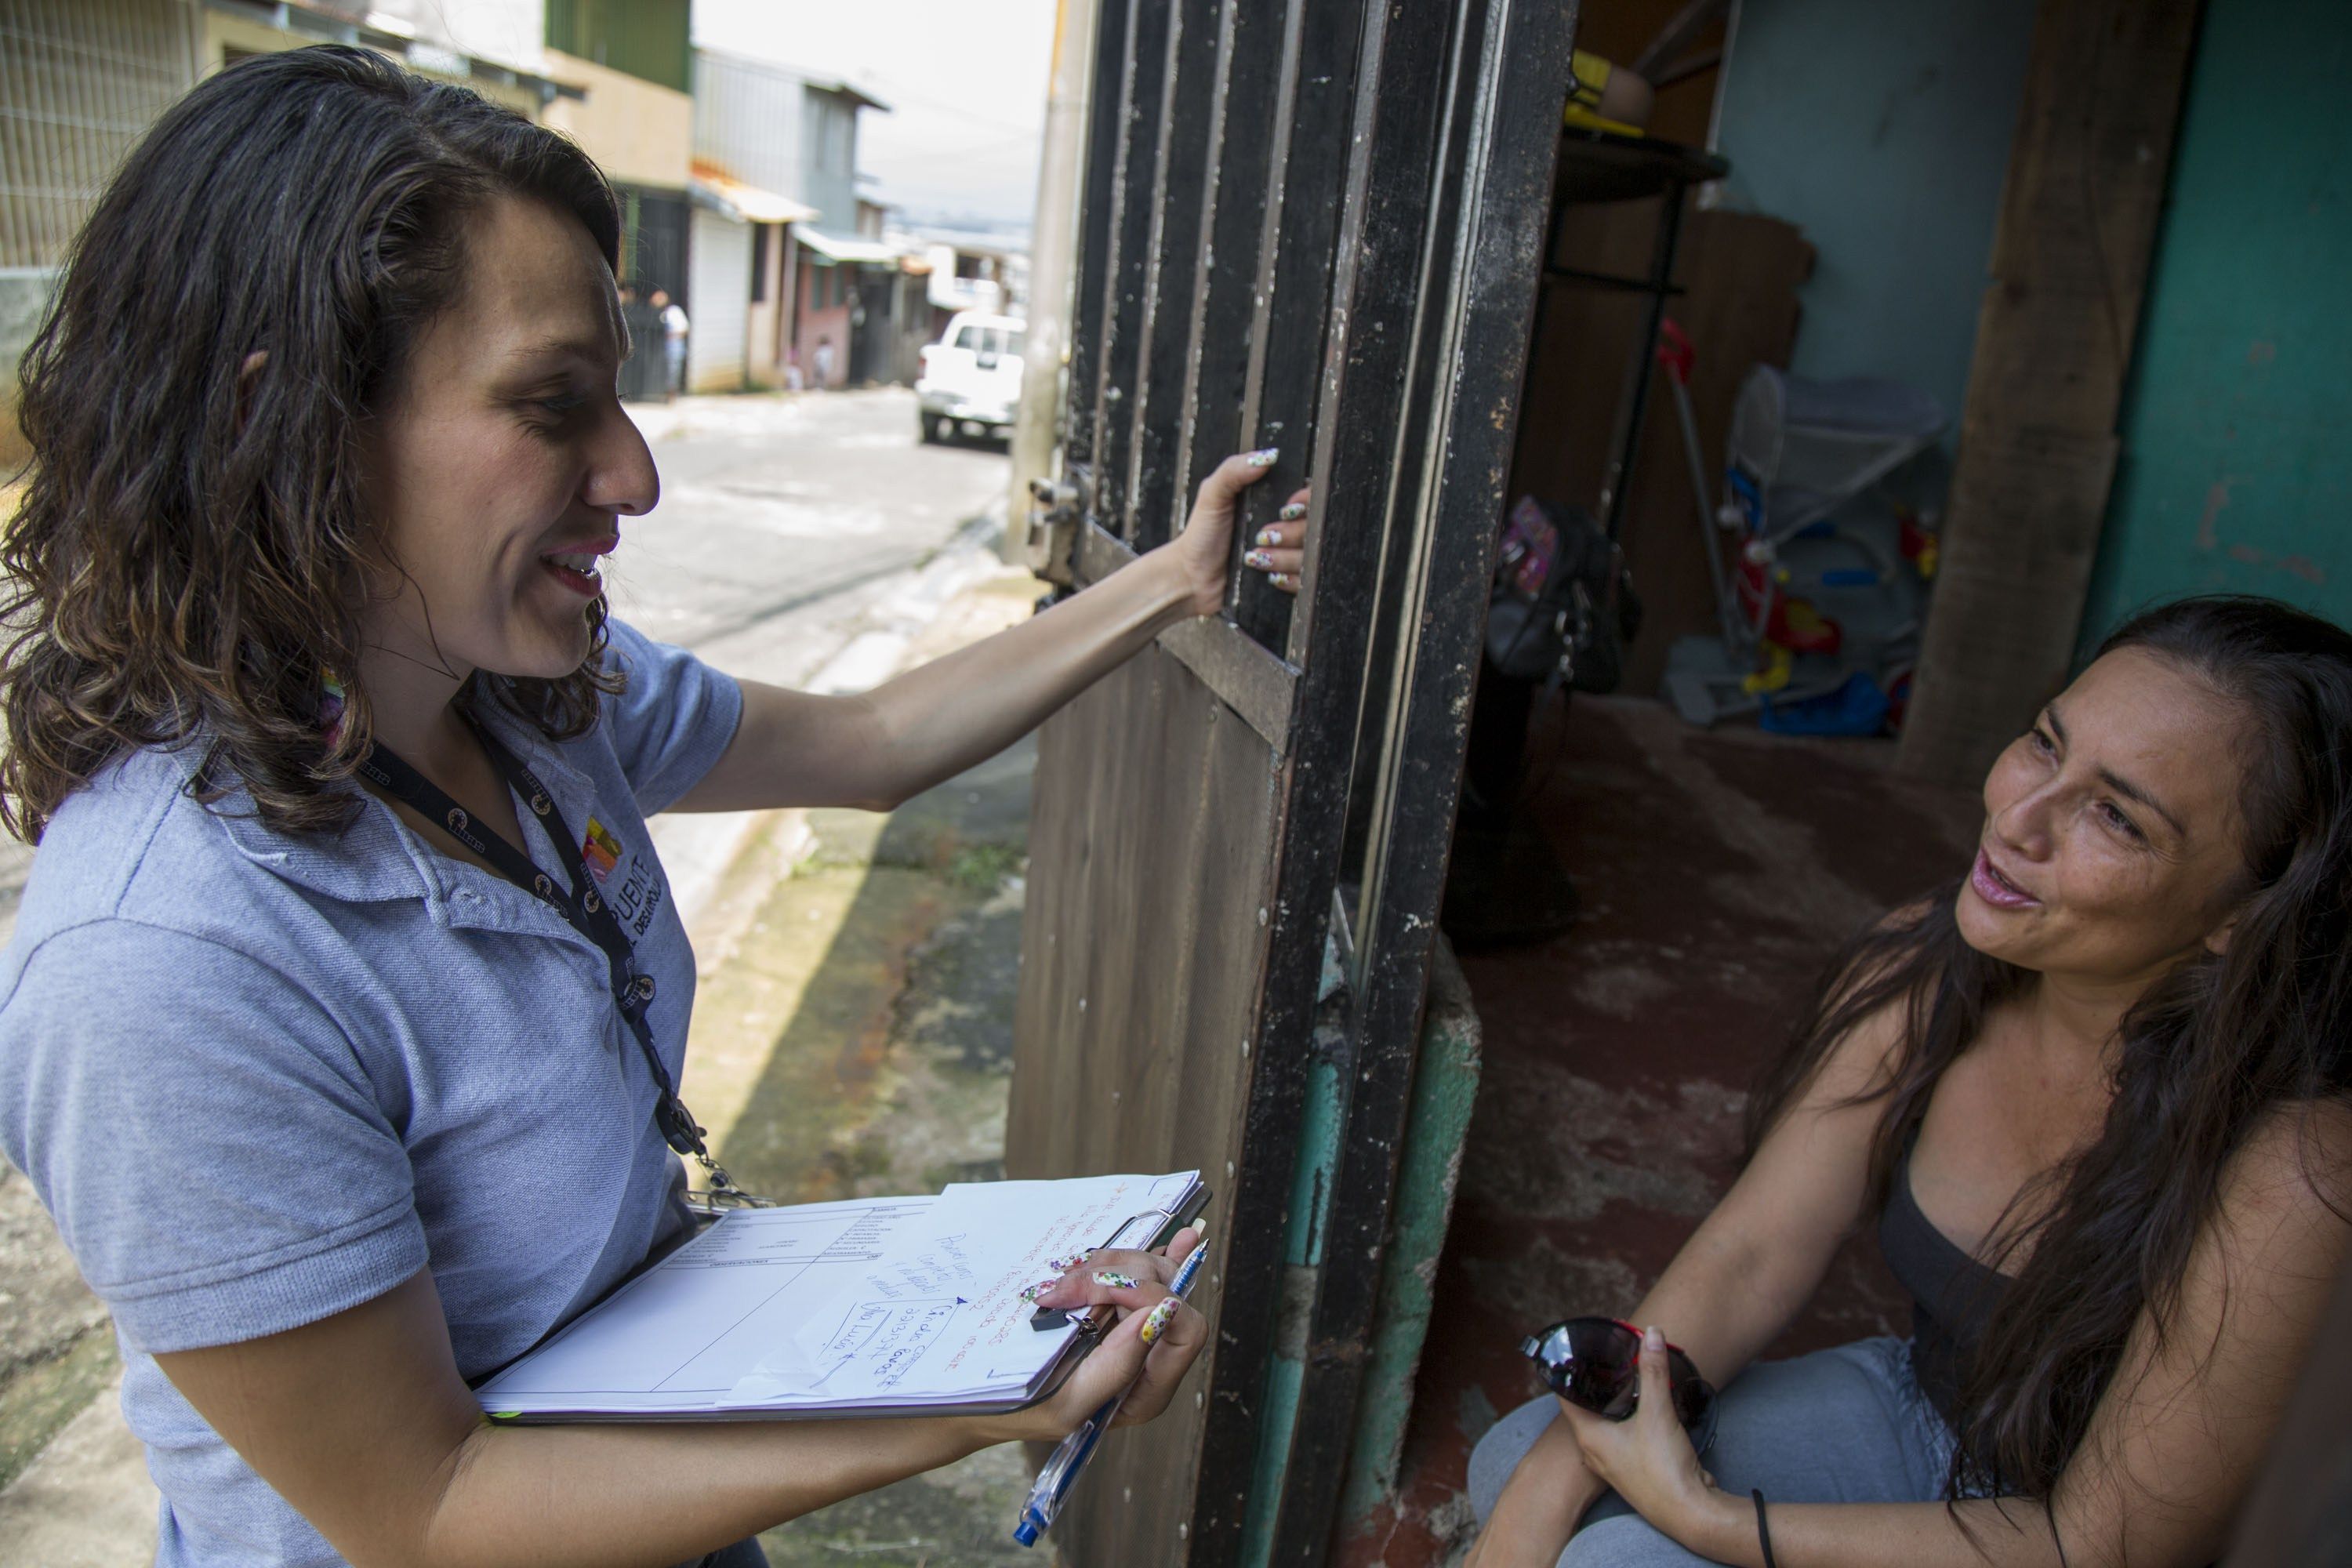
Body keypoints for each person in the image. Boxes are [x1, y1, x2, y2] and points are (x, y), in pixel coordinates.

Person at [0, 47, 1311, 1568]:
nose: (634, 473)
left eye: (618, 397)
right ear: (285, 422)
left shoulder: (530, 692)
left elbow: (876, 736)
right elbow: (426, 1509)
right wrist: (982, 1397)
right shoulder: (167, 959)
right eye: (556, 407)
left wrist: (1173, 583)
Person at [1465, 593, 2352, 1568]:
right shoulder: (1935, 970)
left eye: (2116, 816)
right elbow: (1755, 1250)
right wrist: (1546, 1495)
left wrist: (1707, 1518)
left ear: (2246, 914)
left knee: (1619, 1560)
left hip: (2065, 1531)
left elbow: (2093, 1543)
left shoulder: (2296, 1165)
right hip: (1922, 1412)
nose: (2018, 819)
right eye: (2046, 744)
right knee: (1524, 1466)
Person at [651, 287, 688, 402]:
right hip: (662, 350)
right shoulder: (659, 314)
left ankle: (672, 396)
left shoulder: (674, 311)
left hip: (674, 348)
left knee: (673, 371)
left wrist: (671, 336)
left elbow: (684, 329)